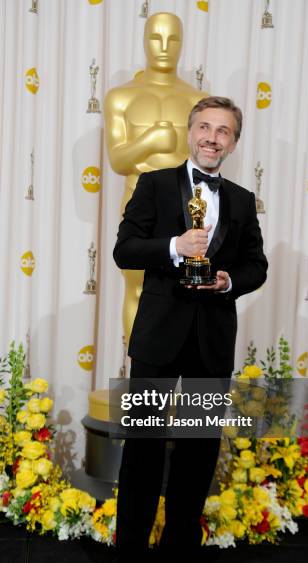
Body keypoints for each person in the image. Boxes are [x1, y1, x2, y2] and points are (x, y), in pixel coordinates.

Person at [81, 96, 268, 563]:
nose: (212, 137)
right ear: (190, 132)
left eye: (223, 130)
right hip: (158, 340)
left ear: (233, 141)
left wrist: (229, 280)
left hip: (211, 344)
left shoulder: (244, 199)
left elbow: (257, 266)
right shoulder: (155, 184)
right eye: (205, 127)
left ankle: (182, 558)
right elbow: (124, 248)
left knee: (197, 453)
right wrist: (173, 248)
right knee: (141, 453)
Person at [104, 12, 209, 343]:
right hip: (139, 202)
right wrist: (149, 141)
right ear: (144, 40)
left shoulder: (197, 101)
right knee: (137, 286)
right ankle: (140, 377)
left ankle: (175, 379)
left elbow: (206, 162)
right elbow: (118, 160)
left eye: (173, 39)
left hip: (187, 205)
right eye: (155, 38)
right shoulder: (121, 97)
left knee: (186, 290)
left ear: (183, 43)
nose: (164, 47)